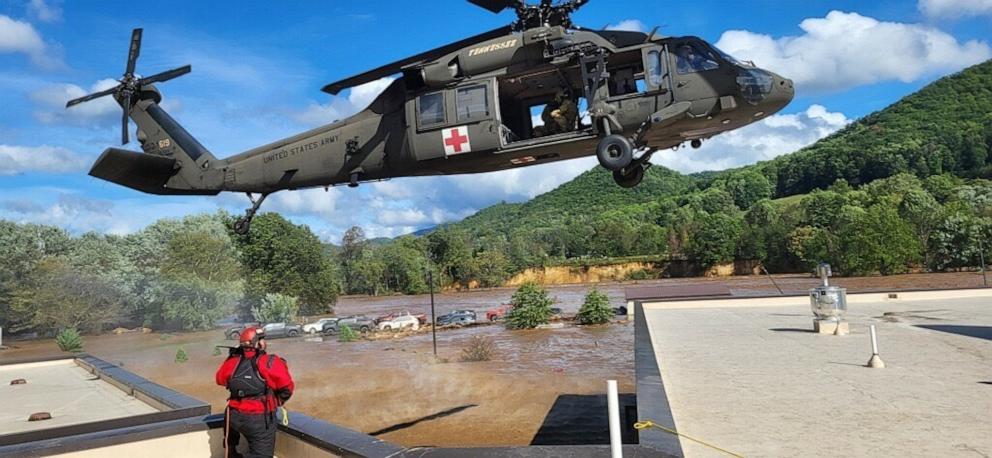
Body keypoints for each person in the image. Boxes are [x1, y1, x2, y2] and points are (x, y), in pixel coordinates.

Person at [216, 326, 294, 458]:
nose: (265, 342)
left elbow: (220, 379)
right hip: (259, 418)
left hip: (233, 416)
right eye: (262, 339)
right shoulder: (270, 361)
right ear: (256, 343)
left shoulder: (232, 361)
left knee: (230, 452)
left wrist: (232, 357)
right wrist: (277, 402)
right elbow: (287, 388)